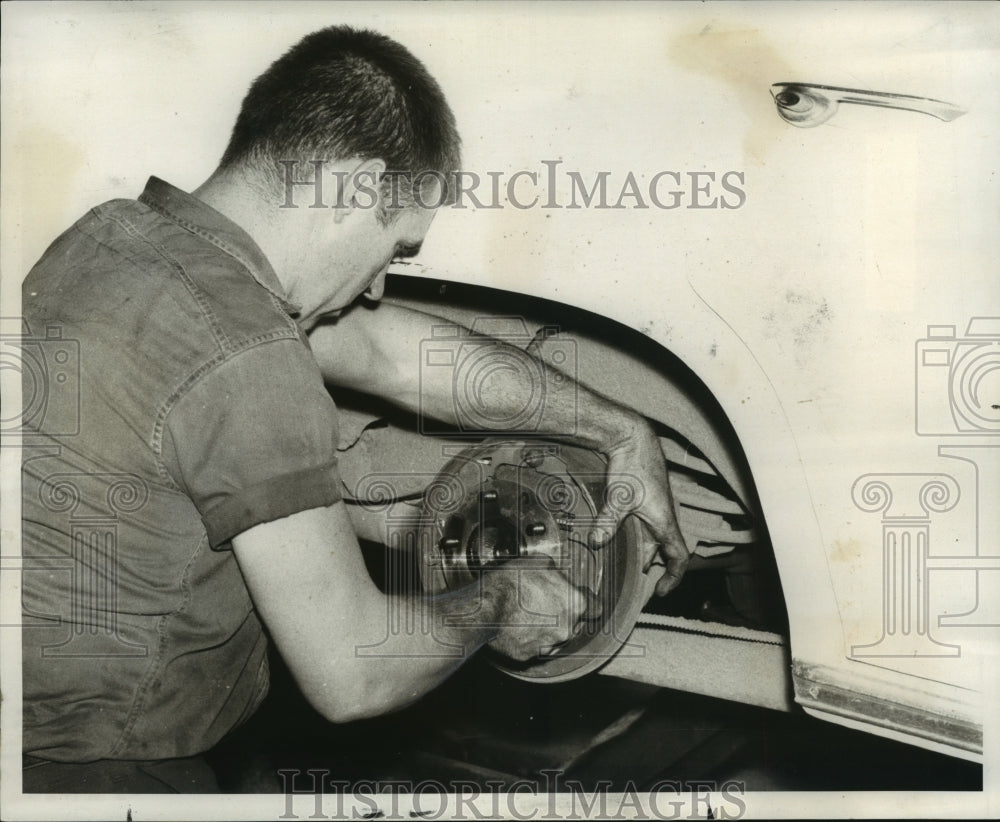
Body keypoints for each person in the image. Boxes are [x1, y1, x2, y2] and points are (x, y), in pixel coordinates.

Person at [20, 25, 688, 793]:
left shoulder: (112, 240)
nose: (376, 286)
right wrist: (506, 596)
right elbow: (353, 676)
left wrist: (620, 429)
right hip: (92, 773)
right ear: (359, 189)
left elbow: (387, 354)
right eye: (397, 248)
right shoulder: (248, 357)